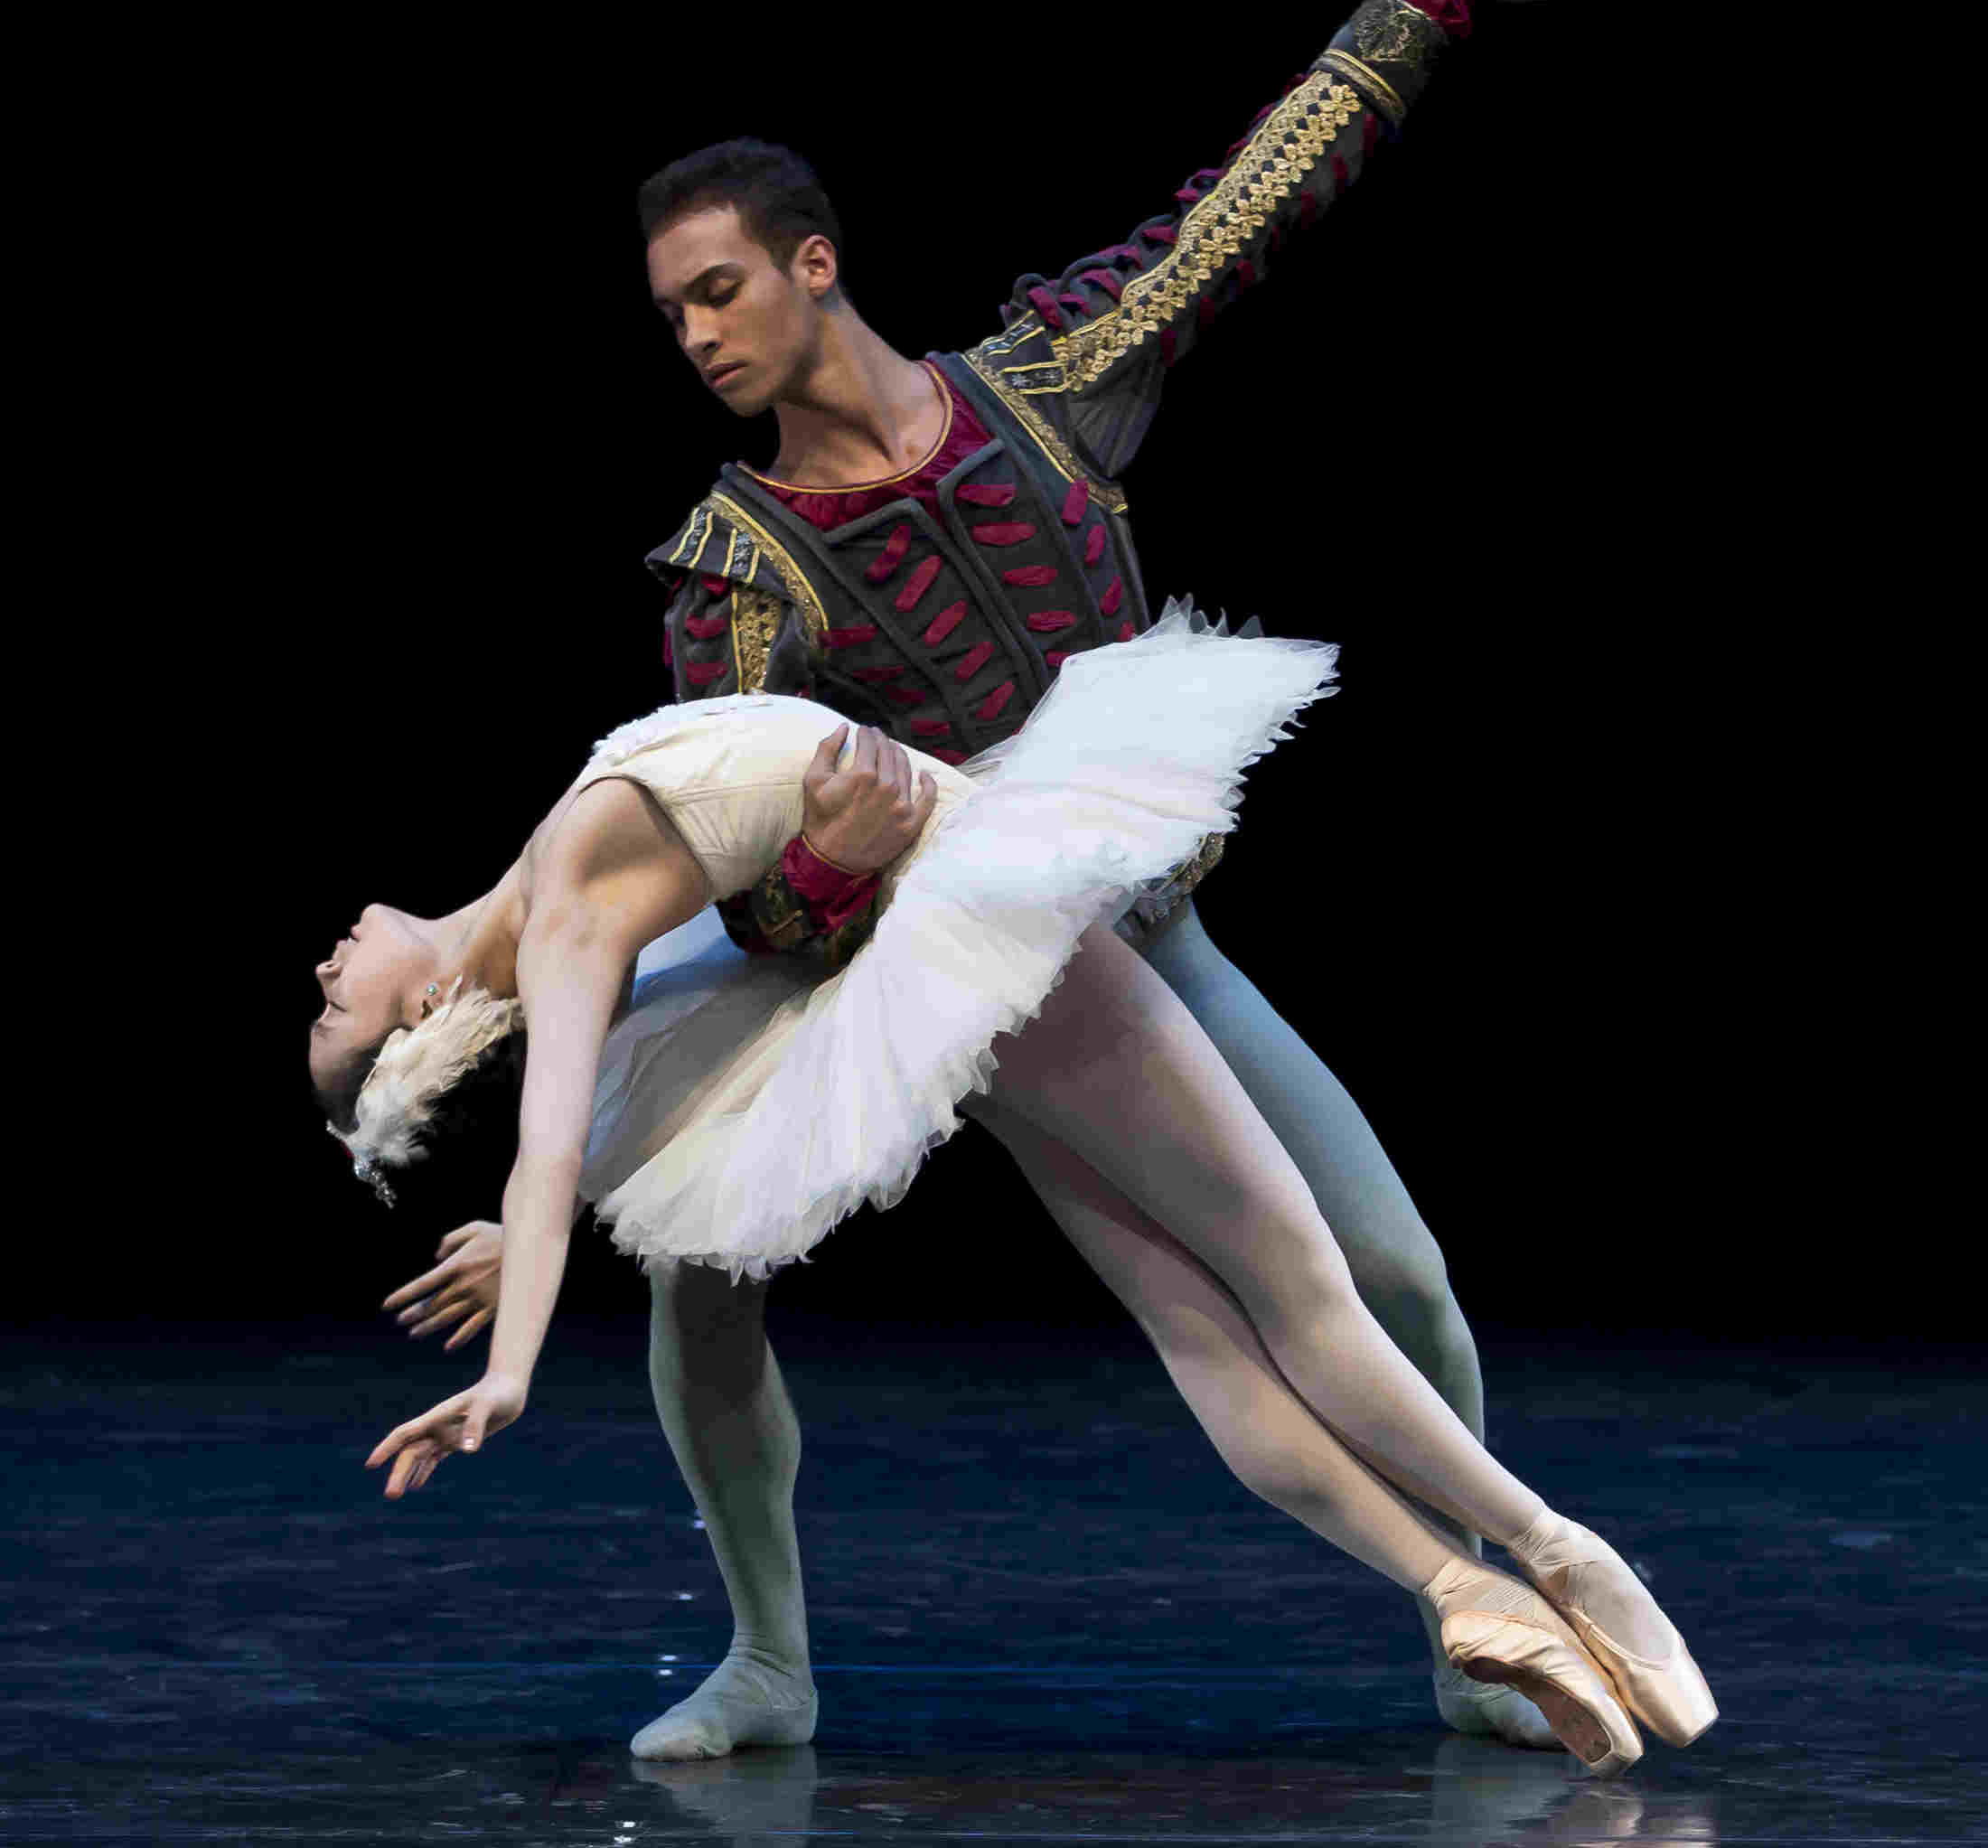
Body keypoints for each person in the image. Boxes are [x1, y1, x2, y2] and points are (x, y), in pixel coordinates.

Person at [387, 0, 1631, 1761]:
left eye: (718, 287)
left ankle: (1474, 1626)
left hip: (1125, 956)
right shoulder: (740, 576)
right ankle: (769, 1658)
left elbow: (1246, 203)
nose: (696, 334)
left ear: (814, 263)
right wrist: (836, 854)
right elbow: (738, 880)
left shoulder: (1043, 390)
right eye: (668, 313)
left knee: (1379, 1275)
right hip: (896, 981)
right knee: (695, 1273)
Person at [315, 614, 1716, 1781]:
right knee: (1286, 1275)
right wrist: (510, 1371)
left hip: (945, 964)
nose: (321, 972)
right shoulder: (566, 911)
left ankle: (1463, 1593)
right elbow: (554, 1143)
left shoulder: (574, 905)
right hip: (980, 924)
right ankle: (1553, 1549)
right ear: (421, 1019)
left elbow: (676, 1052)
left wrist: (536, 1240)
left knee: (1202, 1330)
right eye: (328, 1020)